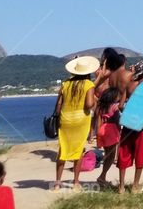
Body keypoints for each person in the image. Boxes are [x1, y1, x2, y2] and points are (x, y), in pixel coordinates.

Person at [54, 56, 98, 192]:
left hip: (65, 119)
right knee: (78, 150)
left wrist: (58, 118)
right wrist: (96, 101)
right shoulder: (88, 85)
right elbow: (89, 104)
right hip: (80, 120)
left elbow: (59, 104)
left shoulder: (65, 84)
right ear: (88, 72)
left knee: (63, 150)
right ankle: (76, 183)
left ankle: (57, 183)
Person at [117, 62, 143, 194]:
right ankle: (135, 186)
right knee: (140, 153)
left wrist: (130, 112)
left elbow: (121, 106)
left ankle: (121, 187)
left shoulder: (129, 85)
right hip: (142, 126)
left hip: (128, 124)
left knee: (124, 153)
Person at [95, 87, 122, 189]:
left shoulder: (100, 107)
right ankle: (102, 177)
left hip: (102, 130)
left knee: (107, 154)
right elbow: (117, 120)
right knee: (111, 156)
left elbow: (98, 122)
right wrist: (120, 131)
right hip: (111, 131)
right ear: (113, 97)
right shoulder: (115, 107)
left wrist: (97, 135)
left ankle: (103, 177)